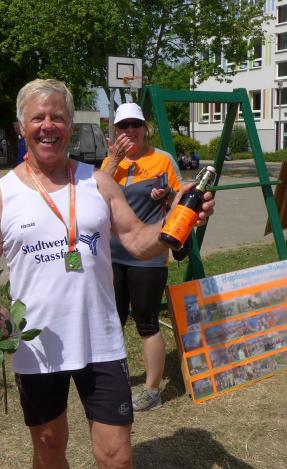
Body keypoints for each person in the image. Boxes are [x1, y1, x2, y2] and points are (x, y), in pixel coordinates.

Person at [0, 79, 214, 468]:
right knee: (49, 449)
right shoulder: (1, 195)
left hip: (100, 340)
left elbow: (137, 241)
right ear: (21, 127)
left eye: (57, 117)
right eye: (38, 118)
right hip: (37, 343)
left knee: (117, 456)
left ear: (70, 125)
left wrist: (177, 220)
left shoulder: (98, 181)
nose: (48, 126)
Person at [101, 102, 183, 411]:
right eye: (123, 126)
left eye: (135, 125)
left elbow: (182, 202)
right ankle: (112, 380)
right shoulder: (110, 163)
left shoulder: (162, 160)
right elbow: (91, 198)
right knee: (112, 321)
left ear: (145, 128)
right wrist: (113, 161)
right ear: (115, 131)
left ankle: (151, 391)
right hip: (112, 256)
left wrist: (168, 197)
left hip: (148, 257)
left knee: (147, 323)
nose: (129, 131)